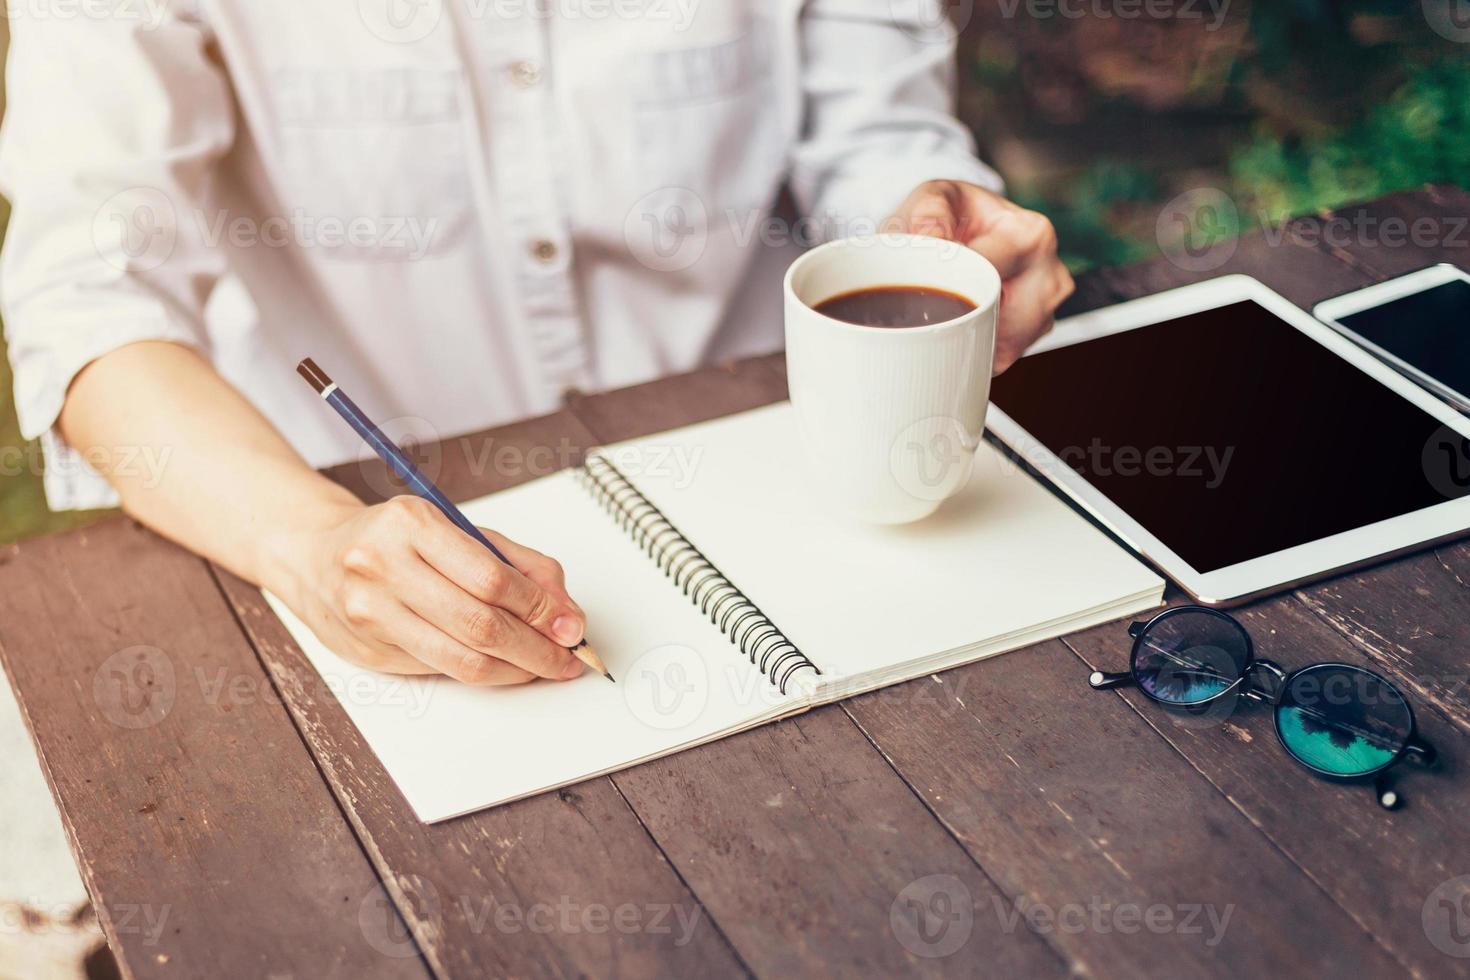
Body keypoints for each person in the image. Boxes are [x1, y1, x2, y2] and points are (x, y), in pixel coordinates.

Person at [0, 2, 1072, 686]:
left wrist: (937, 225)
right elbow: (88, 296)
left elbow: (876, 136)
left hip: (774, 473)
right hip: (365, 509)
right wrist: (315, 548)